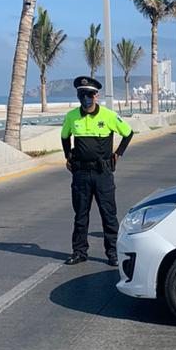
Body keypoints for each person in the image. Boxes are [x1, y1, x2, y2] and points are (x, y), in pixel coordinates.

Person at [60, 76, 133, 266]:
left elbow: (128, 133)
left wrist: (118, 153)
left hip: (102, 173)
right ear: (78, 96)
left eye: (89, 95)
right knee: (80, 215)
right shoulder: (72, 116)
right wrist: (68, 155)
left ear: (96, 96)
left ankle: (113, 253)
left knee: (108, 214)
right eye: (82, 95)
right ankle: (79, 252)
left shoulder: (109, 116)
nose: (86, 99)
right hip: (81, 173)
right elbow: (65, 136)